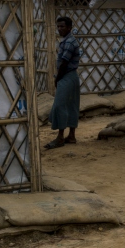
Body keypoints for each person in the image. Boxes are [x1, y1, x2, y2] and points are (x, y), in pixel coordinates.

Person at [45, 16, 81, 149]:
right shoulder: (67, 41)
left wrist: (57, 79)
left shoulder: (70, 43)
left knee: (60, 105)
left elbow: (64, 63)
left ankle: (60, 137)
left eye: (62, 26)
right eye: (58, 26)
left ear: (69, 28)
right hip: (70, 77)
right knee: (71, 105)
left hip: (67, 76)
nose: (59, 29)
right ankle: (71, 136)